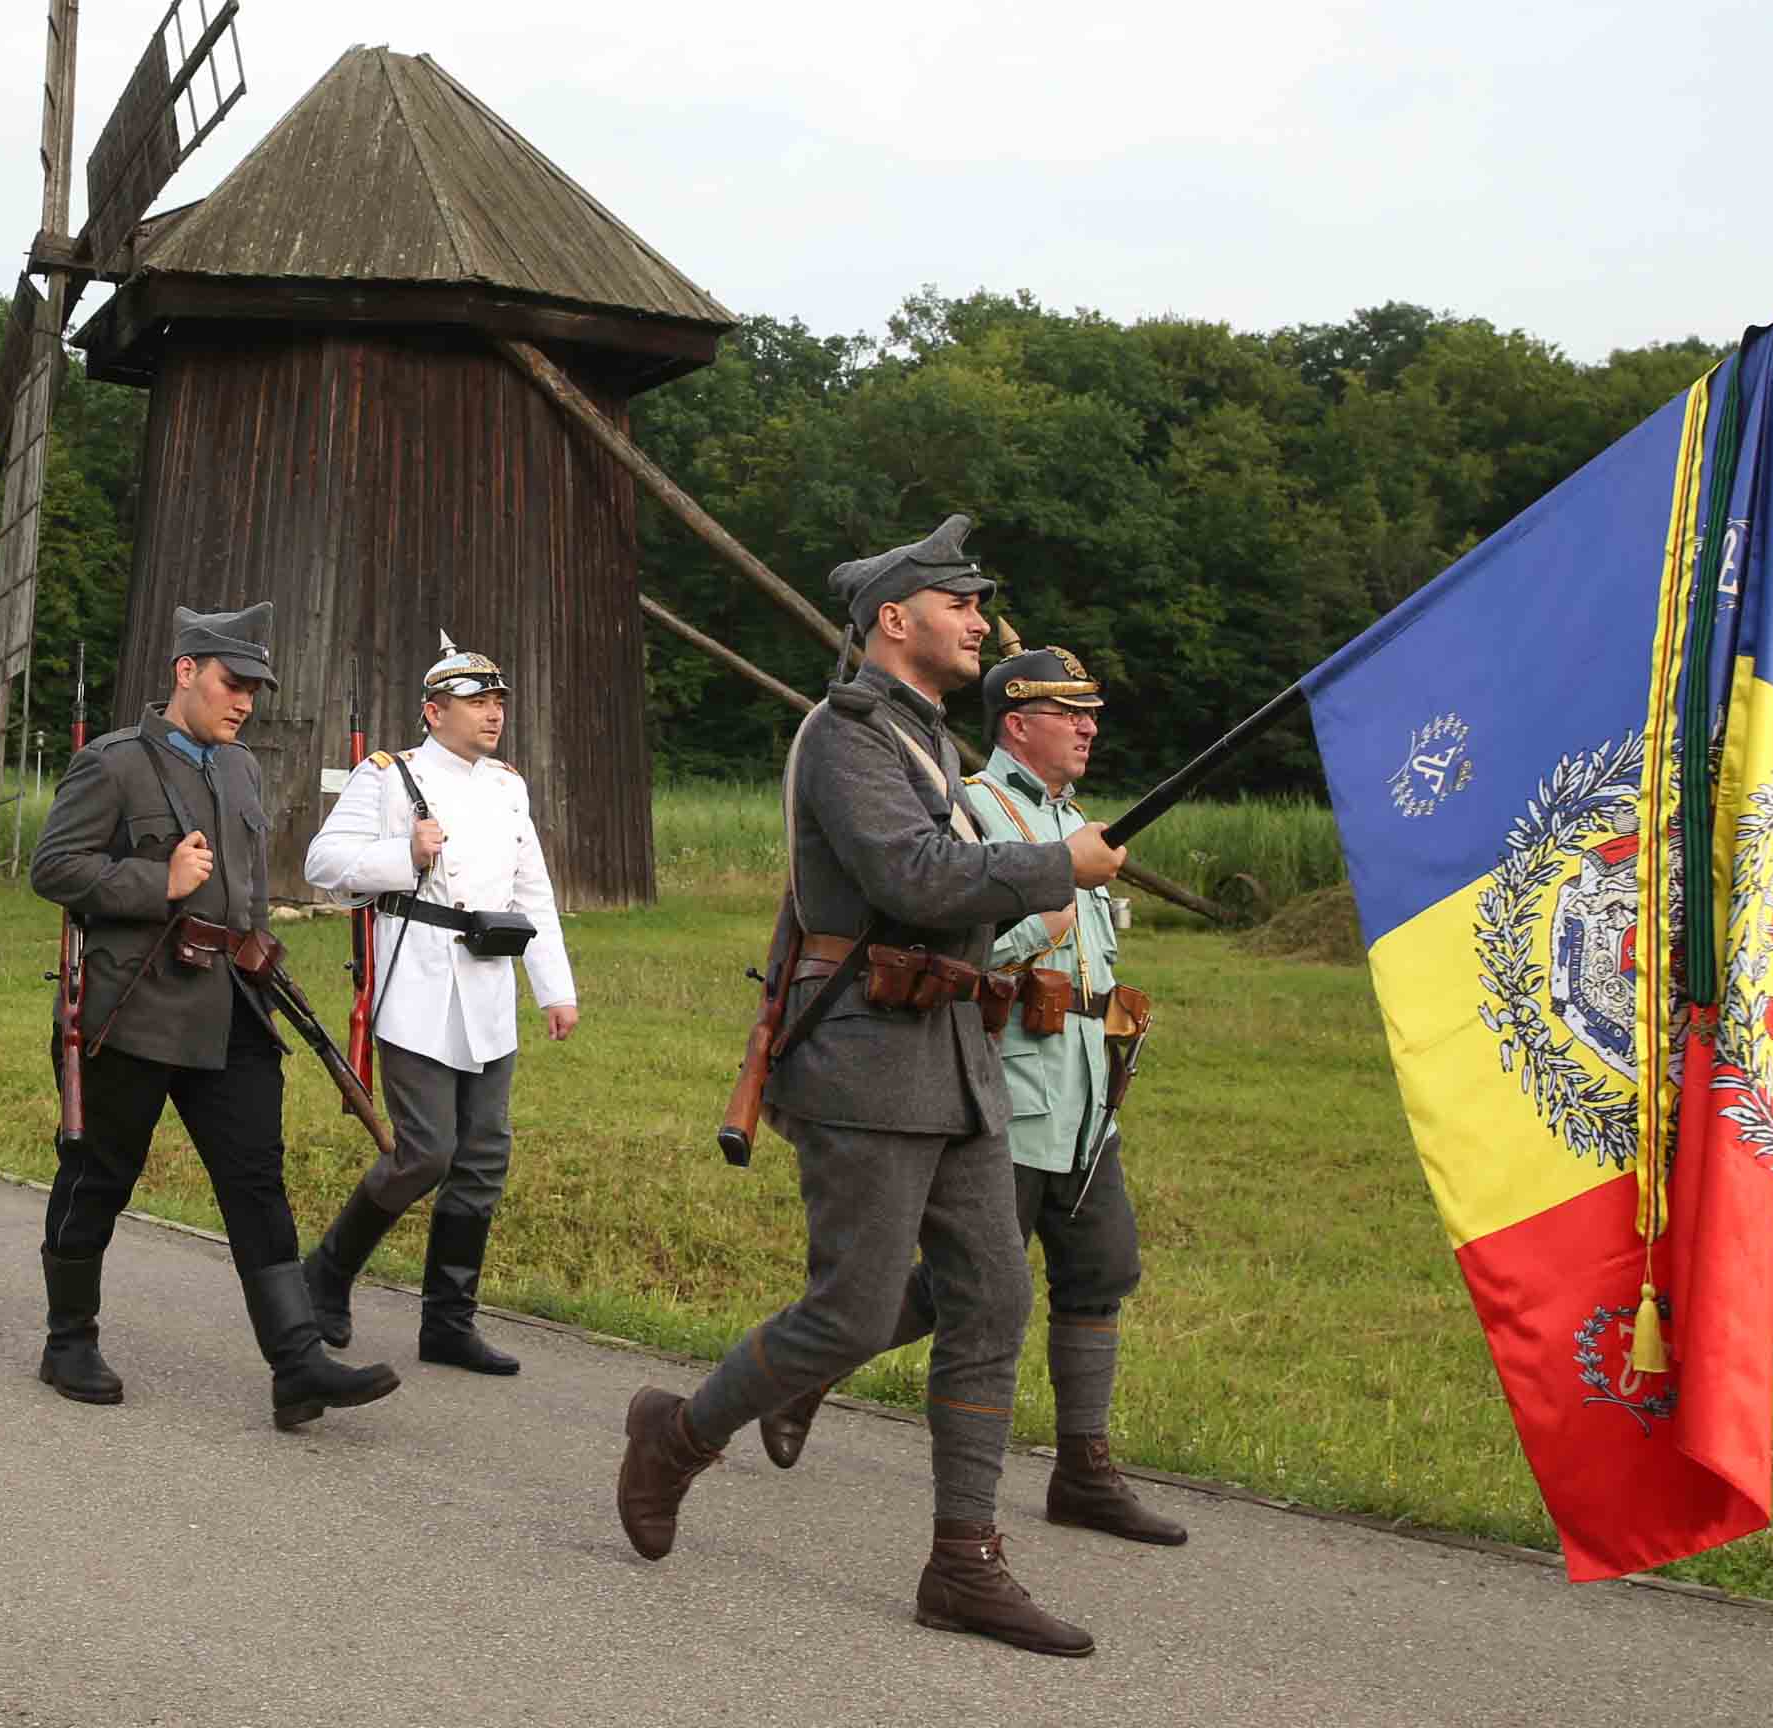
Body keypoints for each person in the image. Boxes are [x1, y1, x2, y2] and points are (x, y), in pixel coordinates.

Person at [609, 514, 1127, 1658]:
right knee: (848, 1310)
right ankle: (677, 1436)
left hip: (952, 1054)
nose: (981, 623)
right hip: (867, 1055)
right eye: (961, 605)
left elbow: (944, 890)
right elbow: (911, 873)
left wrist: (1034, 879)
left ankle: (962, 1563)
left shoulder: (926, 737)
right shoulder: (849, 735)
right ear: (897, 621)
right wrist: (1055, 866)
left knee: (992, 1299)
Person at [751, 648, 1189, 1551]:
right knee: (962, 1289)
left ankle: (1083, 1469)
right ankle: (810, 1367)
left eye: (1091, 713)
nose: (1089, 728)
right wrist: (1045, 905)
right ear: (1016, 722)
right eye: (1070, 713)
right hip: (1006, 1077)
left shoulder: (1077, 828)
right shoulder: (976, 809)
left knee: (1100, 1267)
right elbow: (946, 940)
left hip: (1084, 1092)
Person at [27, 602, 400, 1428]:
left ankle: (297, 1363)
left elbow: (249, 889)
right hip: (134, 1004)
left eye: (255, 691)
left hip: (230, 1001)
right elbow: (53, 868)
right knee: (101, 1174)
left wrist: (262, 950)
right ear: (185, 672)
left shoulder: (242, 769)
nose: (245, 704)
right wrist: (152, 880)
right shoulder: (113, 764)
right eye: (233, 684)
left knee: (255, 1180)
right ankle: (68, 1338)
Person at [296, 631, 578, 1375]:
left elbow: (532, 893)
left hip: (487, 982)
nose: (492, 715)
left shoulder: (508, 786)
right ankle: (327, 1271)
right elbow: (322, 863)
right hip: (417, 982)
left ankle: (448, 1323)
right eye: (475, 702)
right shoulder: (389, 777)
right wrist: (404, 855)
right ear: (432, 711)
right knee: (426, 1154)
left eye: (497, 702)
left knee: (483, 1157)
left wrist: (554, 988)